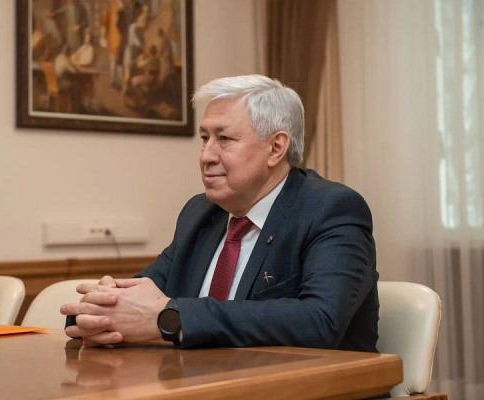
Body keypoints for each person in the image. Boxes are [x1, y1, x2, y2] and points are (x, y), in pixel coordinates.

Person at [61, 74, 380, 352]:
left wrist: (169, 318)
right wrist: (95, 314)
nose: (206, 156)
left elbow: (320, 321)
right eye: (204, 139)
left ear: (275, 148)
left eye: (224, 139)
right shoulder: (201, 213)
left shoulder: (330, 209)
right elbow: (137, 301)